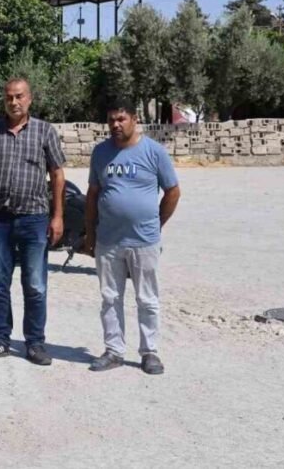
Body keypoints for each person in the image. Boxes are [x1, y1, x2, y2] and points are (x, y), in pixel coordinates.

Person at [0, 78, 66, 365]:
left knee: (35, 284)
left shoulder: (45, 132)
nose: (14, 102)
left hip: (34, 219)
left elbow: (58, 175)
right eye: (9, 97)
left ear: (30, 99)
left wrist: (58, 216)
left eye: (19, 96)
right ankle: (0, 340)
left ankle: (35, 343)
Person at [84, 100, 181, 375]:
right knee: (110, 298)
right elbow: (92, 194)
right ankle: (113, 351)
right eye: (111, 120)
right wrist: (90, 233)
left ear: (134, 120)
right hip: (108, 241)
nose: (115, 124)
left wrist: (157, 222)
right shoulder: (101, 153)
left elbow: (172, 191)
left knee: (147, 299)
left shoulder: (154, 152)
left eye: (121, 119)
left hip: (144, 241)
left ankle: (149, 352)